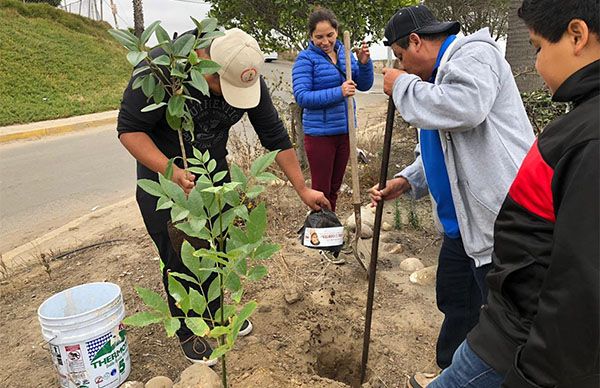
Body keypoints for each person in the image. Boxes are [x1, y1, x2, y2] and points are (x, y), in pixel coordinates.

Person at [117, 28, 330, 366]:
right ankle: (188, 328)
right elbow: (129, 129)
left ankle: (215, 315)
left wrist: (302, 188)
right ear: (206, 63)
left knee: (216, 246)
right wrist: (171, 171)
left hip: (214, 176)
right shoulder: (161, 69)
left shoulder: (243, 72)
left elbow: (273, 134)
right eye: (223, 87)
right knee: (179, 256)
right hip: (167, 179)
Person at [428, 1, 600, 387]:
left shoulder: (589, 140)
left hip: (517, 342)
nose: (536, 64)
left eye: (538, 47)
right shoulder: (582, 124)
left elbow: (580, 284)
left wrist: (530, 377)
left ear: (577, 35)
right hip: (513, 326)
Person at [369, 5, 534, 386]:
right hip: (461, 226)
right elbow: (442, 150)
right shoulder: (437, 80)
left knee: (499, 321)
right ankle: (450, 372)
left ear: (415, 42)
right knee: (456, 303)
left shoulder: (475, 55)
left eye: (400, 57)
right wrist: (407, 180)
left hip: (499, 224)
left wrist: (403, 88)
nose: (403, 67)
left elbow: (465, 109)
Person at [292, 7, 373, 264]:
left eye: (330, 35)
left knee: (335, 189)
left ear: (336, 32)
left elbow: (365, 83)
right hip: (319, 135)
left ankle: (329, 236)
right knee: (321, 190)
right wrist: (339, 92)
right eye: (319, 37)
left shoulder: (344, 52)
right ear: (311, 37)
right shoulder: (305, 60)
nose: (326, 41)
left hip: (344, 131)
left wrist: (364, 63)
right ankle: (321, 241)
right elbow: (302, 96)